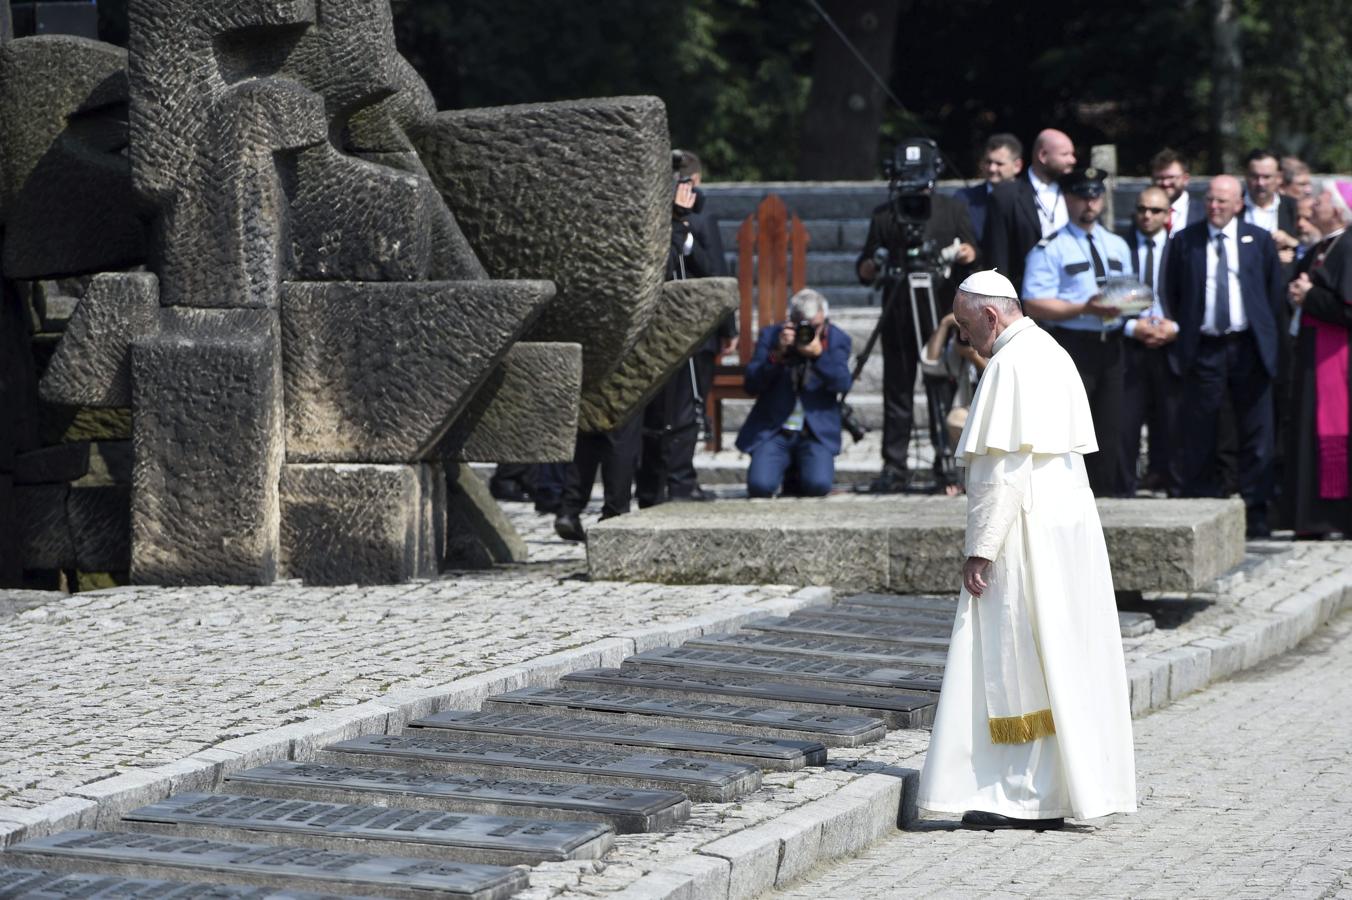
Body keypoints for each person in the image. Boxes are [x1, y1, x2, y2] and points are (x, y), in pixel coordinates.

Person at [917, 269, 1136, 830]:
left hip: (1026, 530)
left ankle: (1021, 796)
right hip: (1068, 526)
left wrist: (980, 549)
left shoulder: (1010, 364)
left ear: (991, 315)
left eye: (967, 328)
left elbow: (1002, 470)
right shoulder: (1050, 349)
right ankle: (1063, 789)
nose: (965, 341)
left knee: (1017, 658)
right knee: (1062, 654)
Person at [1164, 175, 1286, 538]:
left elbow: (1273, 295)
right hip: (1205, 347)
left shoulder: (1258, 240)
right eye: (1210, 200)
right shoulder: (1186, 240)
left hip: (1248, 346)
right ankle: (1202, 503)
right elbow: (1173, 291)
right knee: (1201, 427)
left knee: (1256, 430)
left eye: (1222, 201)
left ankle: (1256, 509)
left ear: (1238, 203)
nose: (1215, 206)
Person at [856, 143, 978, 492]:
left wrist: (966, 253)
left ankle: (947, 460)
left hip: (939, 313)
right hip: (897, 314)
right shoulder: (884, 215)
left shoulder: (953, 210)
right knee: (897, 391)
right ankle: (894, 465)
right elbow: (865, 267)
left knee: (941, 386)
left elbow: (974, 254)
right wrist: (872, 264)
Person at [1021, 165, 1134, 496]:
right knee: (1070, 427)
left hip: (1111, 344)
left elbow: (1128, 289)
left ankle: (1106, 497)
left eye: (1096, 196)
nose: (1090, 204)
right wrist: (1084, 308)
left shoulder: (1116, 245)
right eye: (1082, 196)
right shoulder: (1050, 247)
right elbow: (1034, 303)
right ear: (1067, 199)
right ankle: (1069, 496)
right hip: (1073, 344)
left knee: (1110, 428)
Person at [636, 150, 733, 507]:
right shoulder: (657, 214)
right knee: (662, 412)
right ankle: (654, 480)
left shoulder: (704, 216)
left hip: (699, 326)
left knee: (689, 408)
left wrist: (728, 327)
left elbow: (717, 270)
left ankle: (682, 478)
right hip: (663, 331)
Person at [1282, 180, 1352, 536]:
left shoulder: (1349, 245)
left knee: (1334, 432)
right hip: (1313, 351)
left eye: (1321, 199)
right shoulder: (1321, 246)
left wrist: (1309, 295)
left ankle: (1335, 517)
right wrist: (1298, 292)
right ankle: (1310, 516)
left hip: (1338, 357)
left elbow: (1346, 308)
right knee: (1307, 429)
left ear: (1338, 209)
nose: (1312, 205)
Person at [736, 288, 851, 497]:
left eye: (815, 326)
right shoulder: (772, 336)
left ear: (825, 320)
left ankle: (797, 473)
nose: (808, 333)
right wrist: (776, 355)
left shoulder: (836, 339)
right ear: (791, 321)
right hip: (776, 429)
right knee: (760, 487)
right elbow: (751, 384)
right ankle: (783, 468)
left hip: (814, 432)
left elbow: (842, 383)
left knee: (818, 486)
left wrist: (819, 356)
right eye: (802, 326)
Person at [1118, 185, 1181, 494]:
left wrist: (1174, 327)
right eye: (1142, 209)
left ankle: (1165, 477)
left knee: (1170, 417)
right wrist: (1133, 327)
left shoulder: (1179, 247)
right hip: (1130, 341)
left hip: (1170, 342)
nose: (1147, 216)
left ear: (1168, 215)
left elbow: (1190, 296)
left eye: (1155, 210)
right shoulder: (1120, 247)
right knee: (1127, 419)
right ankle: (1125, 483)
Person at [982, 128, 1077, 293]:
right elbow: (998, 258)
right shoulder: (1005, 196)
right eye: (1065, 154)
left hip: (1071, 293)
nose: (1072, 160)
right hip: (1026, 295)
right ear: (1043, 156)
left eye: (1072, 154)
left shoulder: (1074, 193)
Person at [957, 133, 1023, 244]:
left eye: (999, 164)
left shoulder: (1031, 199)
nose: (992, 168)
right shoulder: (964, 199)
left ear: (1017, 166)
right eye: (988, 162)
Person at [1243, 148, 1300, 267]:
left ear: (1279, 177)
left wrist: (1292, 242)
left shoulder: (1293, 208)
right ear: (1246, 176)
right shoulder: (1233, 208)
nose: (1260, 183)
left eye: (1266, 177)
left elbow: (1310, 248)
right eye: (1255, 176)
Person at [1150, 148, 1204, 236]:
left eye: (1171, 177)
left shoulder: (1203, 213)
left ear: (1185, 179)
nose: (1165, 183)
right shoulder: (1144, 214)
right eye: (1160, 178)